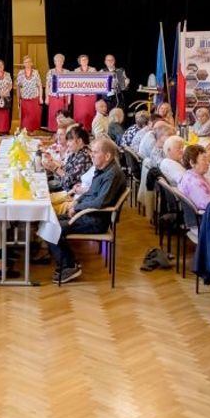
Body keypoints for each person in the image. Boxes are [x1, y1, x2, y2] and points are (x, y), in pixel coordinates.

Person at [45, 138, 127, 284]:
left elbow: (100, 202)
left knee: (51, 227)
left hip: (95, 220)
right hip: (87, 214)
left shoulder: (113, 174)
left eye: (95, 152)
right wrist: (76, 202)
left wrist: (76, 208)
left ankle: (69, 266)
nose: (91, 156)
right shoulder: (102, 169)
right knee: (49, 220)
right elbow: (90, 193)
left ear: (107, 156)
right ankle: (68, 261)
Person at [43, 125, 91, 192]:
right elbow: (65, 170)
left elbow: (69, 182)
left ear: (80, 141)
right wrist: (52, 167)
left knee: (41, 188)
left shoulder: (84, 157)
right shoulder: (75, 153)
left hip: (69, 192)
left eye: (70, 141)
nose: (67, 144)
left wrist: (54, 168)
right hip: (62, 185)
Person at [177, 144, 210, 210]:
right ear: (192, 163)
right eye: (204, 160)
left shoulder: (194, 175)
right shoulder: (194, 182)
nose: (208, 163)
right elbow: (209, 206)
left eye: (207, 160)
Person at [15, 55, 43, 133]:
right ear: (23, 64)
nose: (27, 64)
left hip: (34, 98)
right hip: (24, 98)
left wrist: (40, 97)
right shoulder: (20, 73)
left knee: (34, 116)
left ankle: (33, 132)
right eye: (25, 62)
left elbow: (40, 85)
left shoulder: (36, 72)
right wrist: (18, 100)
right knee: (25, 117)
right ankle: (26, 132)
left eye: (29, 62)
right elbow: (18, 87)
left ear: (31, 63)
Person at [71, 54, 98, 130]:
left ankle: (91, 128)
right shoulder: (76, 70)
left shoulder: (93, 70)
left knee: (91, 111)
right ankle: (79, 129)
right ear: (79, 62)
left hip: (91, 95)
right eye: (82, 60)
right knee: (79, 113)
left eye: (86, 59)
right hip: (79, 96)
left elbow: (98, 80)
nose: (84, 61)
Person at [45, 53, 71, 131]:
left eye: (60, 61)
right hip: (53, 97)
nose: (59, 62)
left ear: (63, 62)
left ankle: (63, 128)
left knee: (63, 115)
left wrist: (69, 98)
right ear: (54, 62)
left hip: (64, 97)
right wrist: (46, 97)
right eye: (57, 61)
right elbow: (47, 85)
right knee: (54, 113)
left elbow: (70, 86)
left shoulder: (67, 72)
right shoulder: (50, 72)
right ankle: (53, 129)